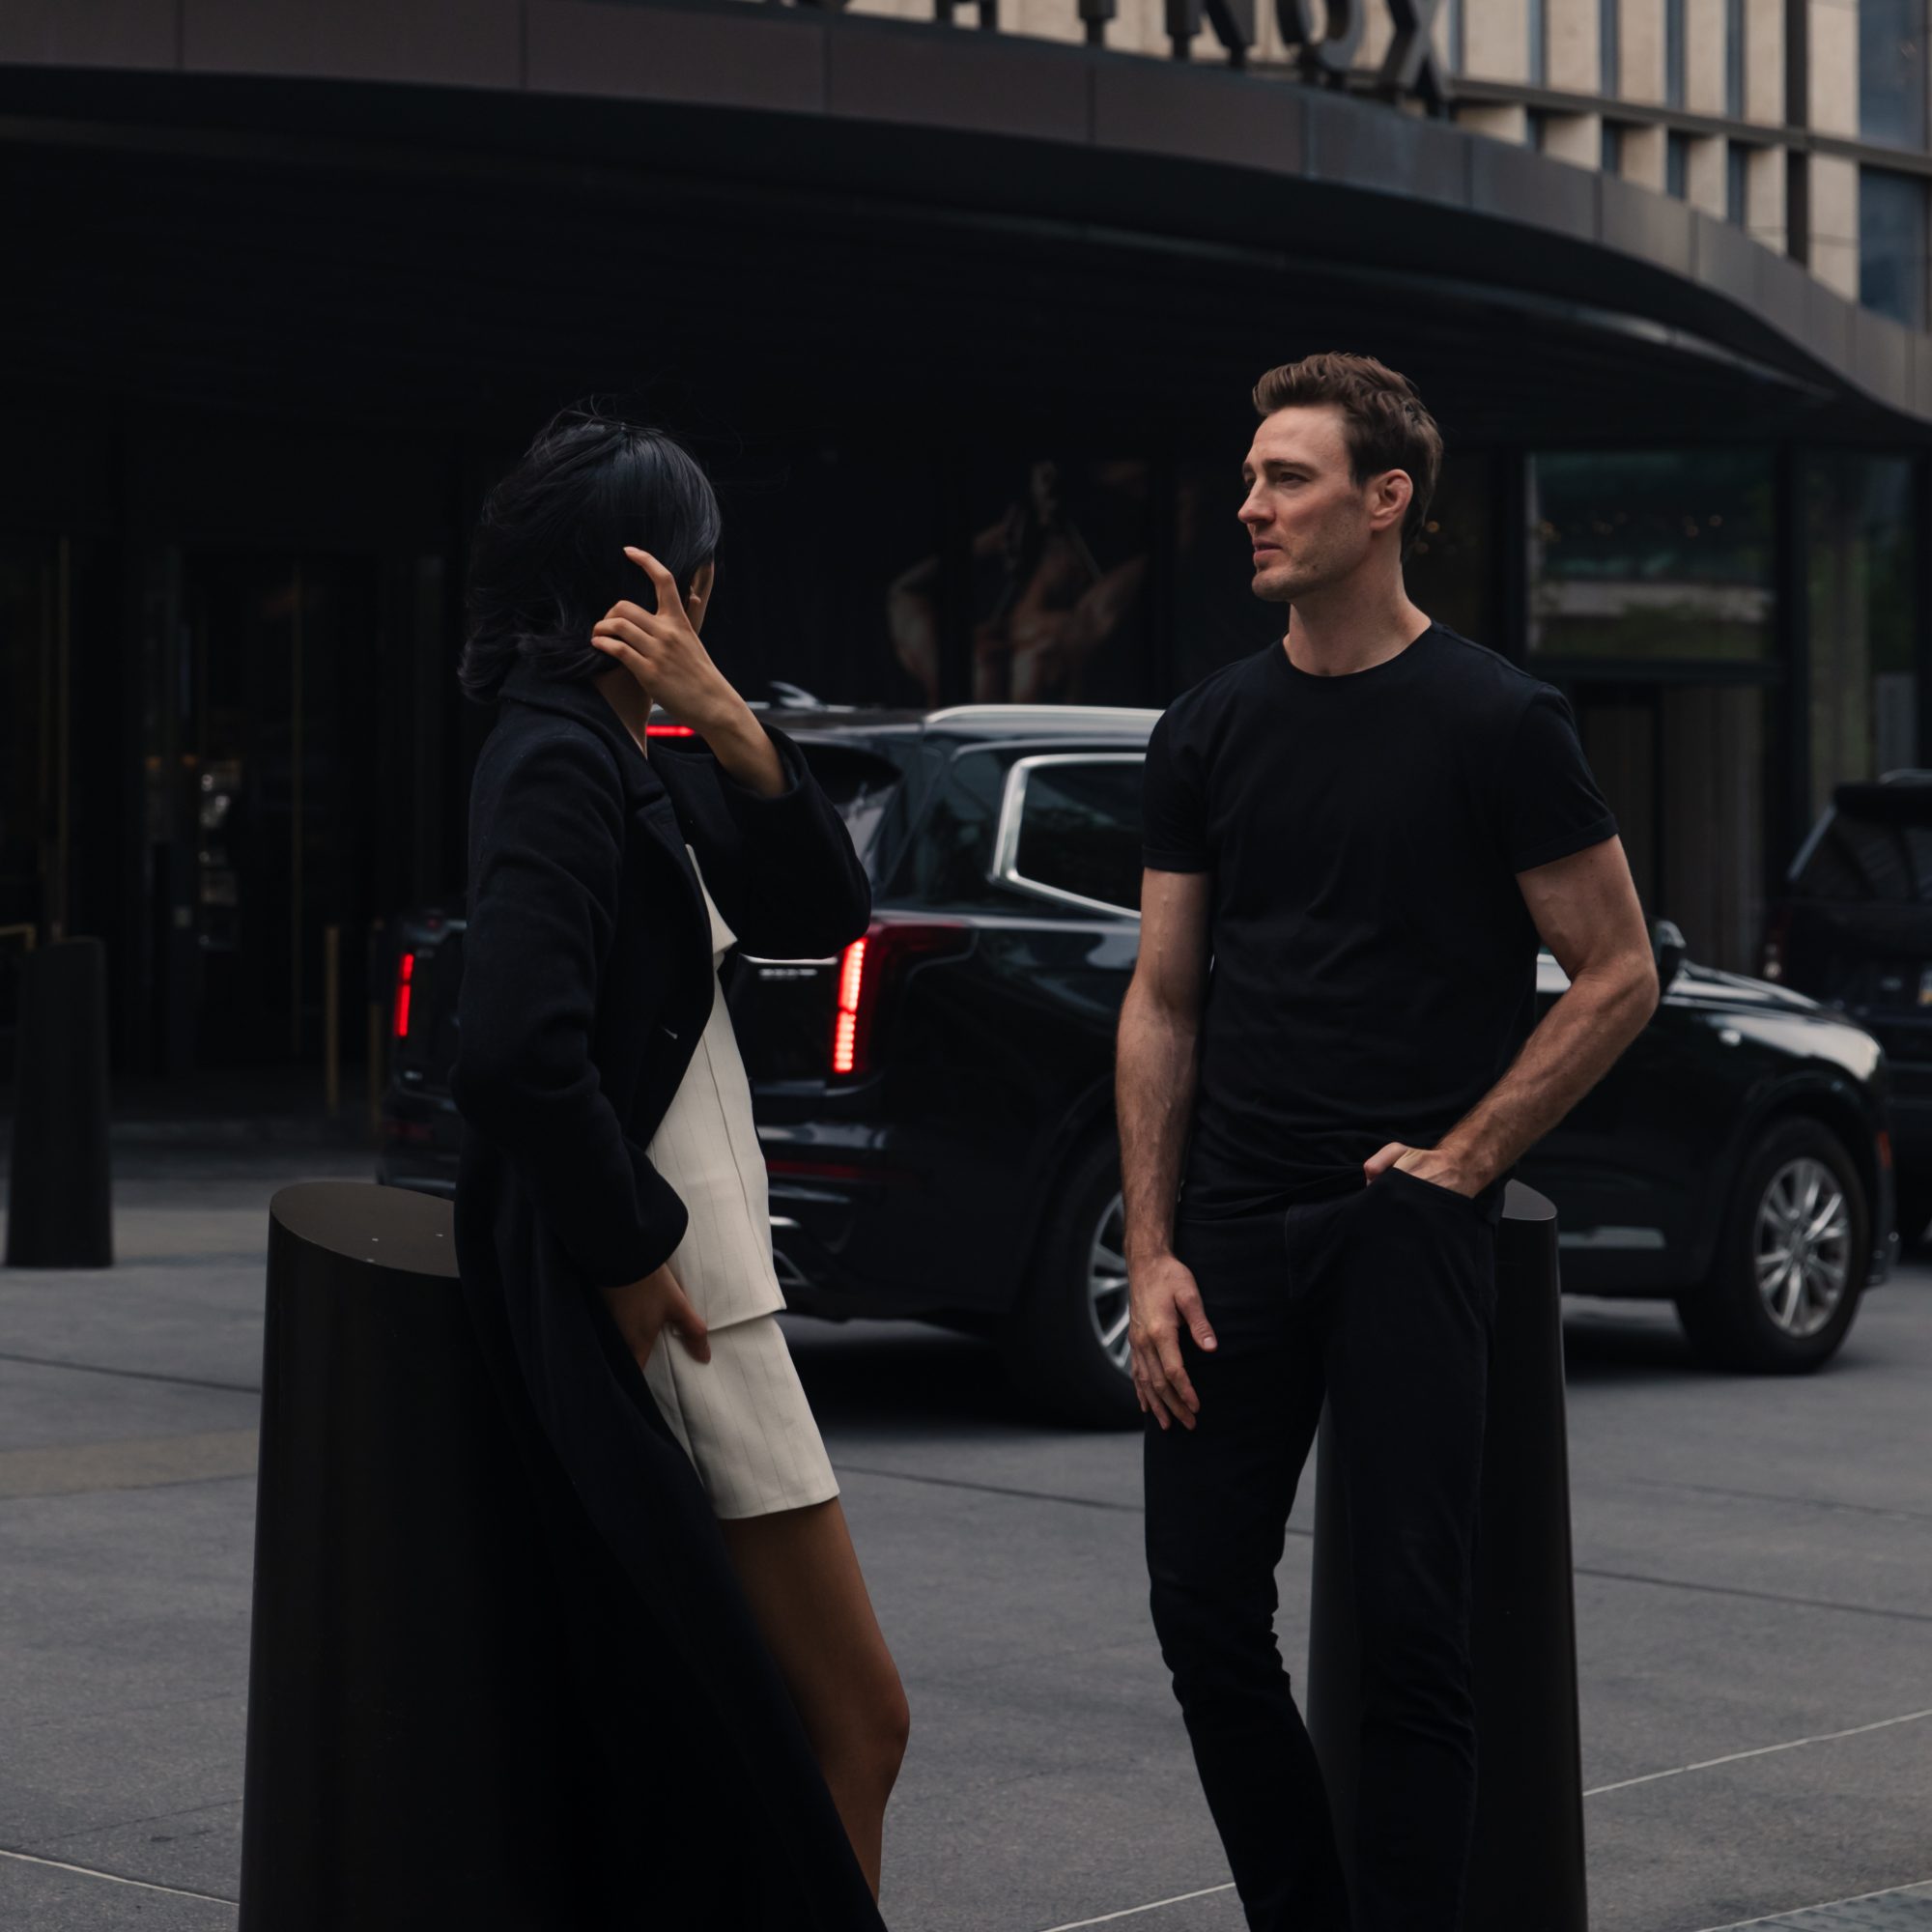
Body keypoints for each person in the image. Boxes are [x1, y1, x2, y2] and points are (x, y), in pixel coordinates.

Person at [1116, 353, 1659, 1931]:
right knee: (1202, 1612)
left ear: (1385, 499)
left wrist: (1466, 1161)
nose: (1252, 505)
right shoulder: (1207, 728)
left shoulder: (1499, 720)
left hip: (1407, 1230)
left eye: (1287, 478)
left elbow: (1619, 971)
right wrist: (1148, 1252)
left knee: (1414, 1638)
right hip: (1230, 1228)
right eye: (1250, 478)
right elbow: (1163, 1000)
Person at [450, 407, 908, 1928]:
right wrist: (633, 1252)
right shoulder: (559, 759)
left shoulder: (609, 745)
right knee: (854, 1720)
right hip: (691, 1298)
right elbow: (515, 1050)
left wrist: (725, 717)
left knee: (741, 1733)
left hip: (707, 1284)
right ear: (671, 580)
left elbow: (822, 913)